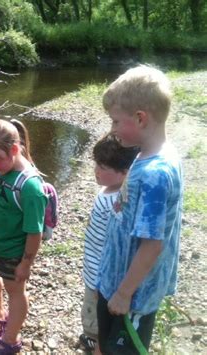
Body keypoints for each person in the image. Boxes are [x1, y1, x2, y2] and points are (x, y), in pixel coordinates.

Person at [96, 65, 183, 354]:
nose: (112, 130)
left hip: (131, 296)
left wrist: (123, 293)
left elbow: (152, 244)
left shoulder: (155, 174)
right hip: (117, 283)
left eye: (115, 121)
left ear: (140, 118)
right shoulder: (150, 154)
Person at [0, 119, 47, 354]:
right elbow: (4, 202)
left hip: (15, 249)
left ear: (14, 150)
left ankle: (10, 340)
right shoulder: (1, 170)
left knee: (15, 289)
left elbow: (34, 231)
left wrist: (26, 263)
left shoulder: (31, 187)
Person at [79, 134, 138, 353]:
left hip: (99, 278)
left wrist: (97, 284)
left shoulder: (116, 204)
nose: (96, 170)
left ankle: (98, 345)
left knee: (97, 320)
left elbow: (115, 247)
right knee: (94, 318)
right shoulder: (110, 191)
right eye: (96, 164)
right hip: (93, 270)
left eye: (103, 167)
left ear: (125, 172)